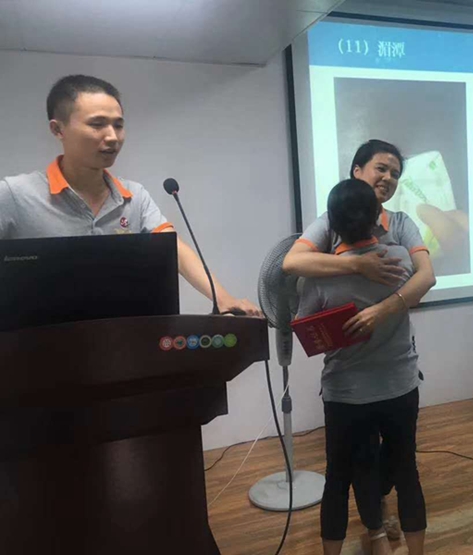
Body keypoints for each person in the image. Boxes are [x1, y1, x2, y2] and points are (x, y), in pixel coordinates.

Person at [0, 74, 259, 316]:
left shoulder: (134, 197)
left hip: (120, 339)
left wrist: (223, 299)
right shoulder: (15, 195)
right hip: (39, 341)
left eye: (119, 125)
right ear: (58, 130)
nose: (113, 137)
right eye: (97, 124)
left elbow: (174, 249)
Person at [284, 139, 436, 539]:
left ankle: (377, 516)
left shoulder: (401, 223)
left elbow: (427, 277)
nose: (388, 178)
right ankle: (376, 524)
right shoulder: (330, 220)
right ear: (357, 170)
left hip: (389, 371)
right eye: (381, 168)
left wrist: (382, 310)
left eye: (396, 174)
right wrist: (359, 266)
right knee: (368, 459)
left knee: (385, 463)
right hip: (353, 379)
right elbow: (292, 262)